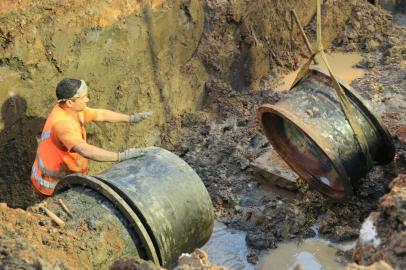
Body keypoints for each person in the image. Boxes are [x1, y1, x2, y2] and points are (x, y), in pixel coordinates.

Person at [31, 78, 152, 196]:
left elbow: (101, 114)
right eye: (84, 97)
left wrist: (131, 118)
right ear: (70, 102)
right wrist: (120, 157)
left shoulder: (72, 110)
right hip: (51, 185)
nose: (87, 100)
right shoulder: (63, 125)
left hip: (66, 174)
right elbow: (85, 150)